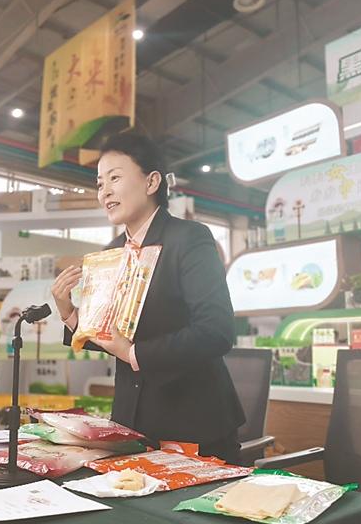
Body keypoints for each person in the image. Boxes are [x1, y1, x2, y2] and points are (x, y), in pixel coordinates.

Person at [51, 131, 245, 464]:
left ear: (152, 182)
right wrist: (70, 313)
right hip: (131, 426)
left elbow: (216, 331)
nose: (104, 191)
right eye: (100, 183)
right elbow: (109, 337)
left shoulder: (190, 238)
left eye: (115, 178)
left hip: (193, 425)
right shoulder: (110, 253)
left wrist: (133, 353)